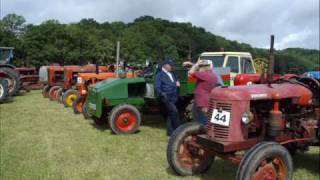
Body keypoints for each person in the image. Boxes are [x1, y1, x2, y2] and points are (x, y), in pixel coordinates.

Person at [189, 60, 221, 125]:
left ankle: (204, 133)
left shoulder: (204, 74)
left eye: (202, 66)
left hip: (201, 101)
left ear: (206, 67)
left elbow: (190, 72)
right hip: (205, 100)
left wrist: (196, 65)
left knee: (201, 120)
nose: (200, 68)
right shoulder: (212, 75)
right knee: (204, 118)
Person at [155, 58, 181, 136]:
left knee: (170, 114)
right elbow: (157, 87)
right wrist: (162, 94)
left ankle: (170, 132)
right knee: (174, 112)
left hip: (174, 97)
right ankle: (179, 130)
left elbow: (176, 80)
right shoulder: (159, 74)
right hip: (166, 97)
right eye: (170, 65)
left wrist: (177, 83)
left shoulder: (172, 73)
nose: (171, 67)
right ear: (165, 65)